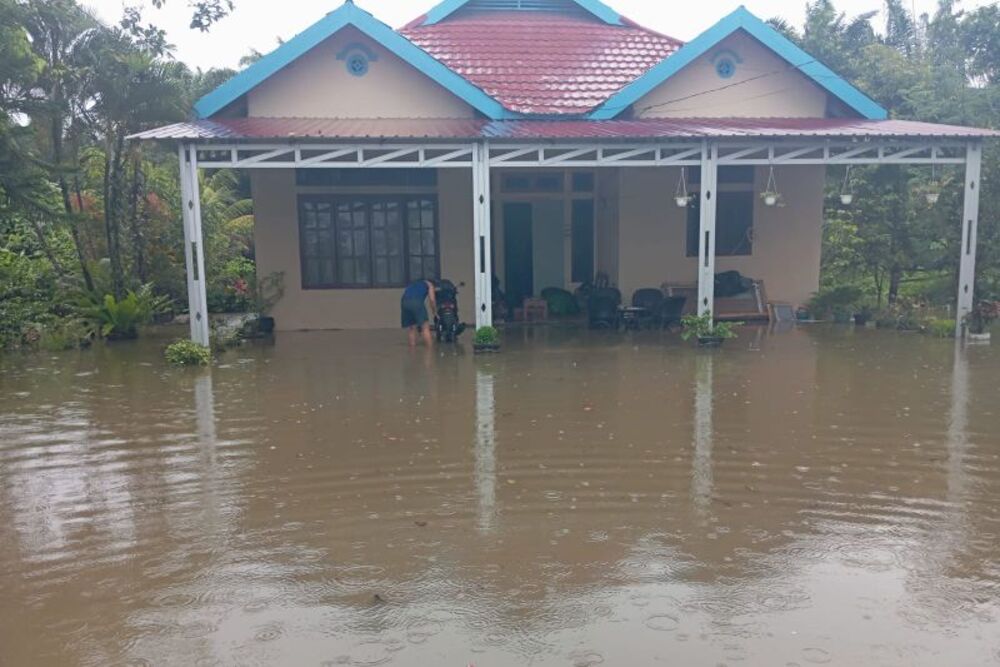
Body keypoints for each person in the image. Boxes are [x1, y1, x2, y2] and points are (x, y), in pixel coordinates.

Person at [401, 279, 437, 347]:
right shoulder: (430, 285)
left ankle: (412, 351)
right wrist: (435, 312)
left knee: (411, 328)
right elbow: (432, 300)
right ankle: (430, 351)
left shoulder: (414, 284)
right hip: (416, 302)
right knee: (425, 327)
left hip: (404, 302)